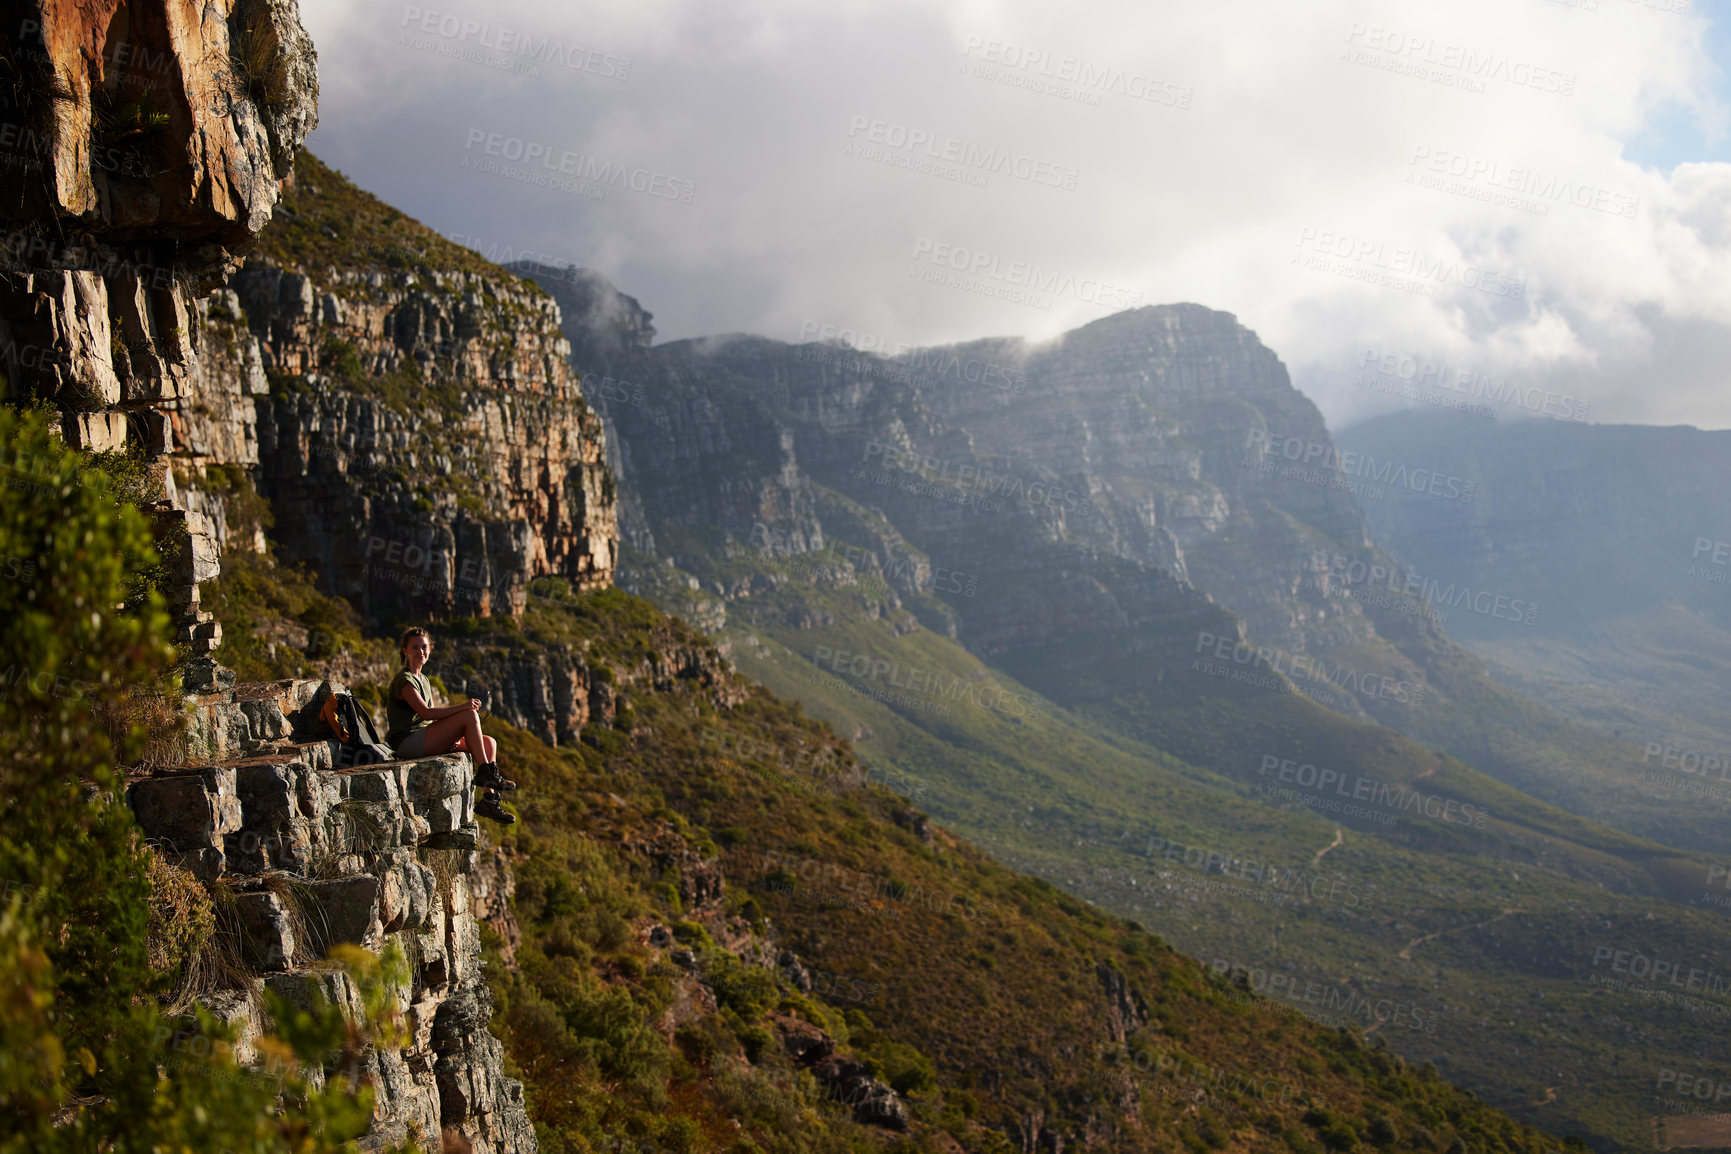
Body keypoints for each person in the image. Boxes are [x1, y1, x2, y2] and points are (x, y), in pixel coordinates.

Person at [386, 626, 517, 825]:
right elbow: (426, 713)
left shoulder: (425, 680)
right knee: (469, 716)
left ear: (430, 649)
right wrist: (462, 707)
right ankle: (486, 772)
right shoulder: (404, 680)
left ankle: (488, 799)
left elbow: (430, 719)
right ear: (405, 651)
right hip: (408, 743)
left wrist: (451, 735)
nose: (421, 652)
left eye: (424, 647)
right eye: (415, 647)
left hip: (425, 738)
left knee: (489, 743)